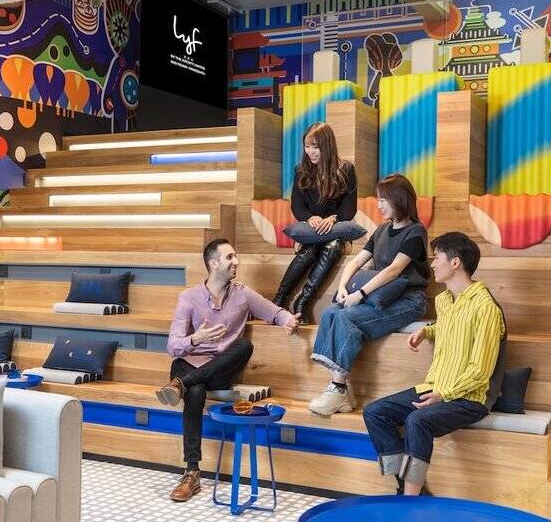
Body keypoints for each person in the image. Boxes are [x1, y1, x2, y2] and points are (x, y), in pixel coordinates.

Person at [157, 238, 300, 502]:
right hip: (190, 363)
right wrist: (195, 339)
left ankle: (181, 385)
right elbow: (173, 346)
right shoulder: (188, 298)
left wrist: (288, 319)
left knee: (244, 346)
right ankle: (192, 473)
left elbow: (273, 312)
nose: (237, 262)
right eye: (230, 257)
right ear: (213, 264)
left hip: (219, 370)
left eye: (236, 256)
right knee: (196, 391)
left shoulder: (243, 294)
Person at [362, 232, 505, 496]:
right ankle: (404, 485)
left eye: (437, 257)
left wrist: (444, 395)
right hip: (435, 386)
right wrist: (427, 331)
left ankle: (410, 500)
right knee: (375, 412)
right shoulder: (444, 300)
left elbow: (480, 371)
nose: (433, 264)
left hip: (468, 398)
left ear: (455, 262)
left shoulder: (486, 307)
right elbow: (452, 326)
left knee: (417, 420)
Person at [308, 173, 429, 415]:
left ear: (399, 199)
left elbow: (395, 270)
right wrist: (343, 288)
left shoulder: (416, 232)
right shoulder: (381, 230)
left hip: (409, 300)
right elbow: (355, 262)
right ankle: (342, 389)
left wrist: (361, 294)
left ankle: (338, 389)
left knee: (346, 317)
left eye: (383, 199)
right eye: (378, 199)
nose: (379, 205)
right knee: (330, 312)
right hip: (379, 295)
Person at [272, 122, 358, 323]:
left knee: (332, 246)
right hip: (311, 231)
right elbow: (297, 205)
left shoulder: (346, 169)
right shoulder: (301, 170)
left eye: (315, 147)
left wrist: (333, 218)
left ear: (327, 146)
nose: (310, 151)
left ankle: (302, 301)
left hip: (336, 231)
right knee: (310, 249)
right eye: (307, 146)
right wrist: (310, 217)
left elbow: (349, 209)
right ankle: (279, 299)